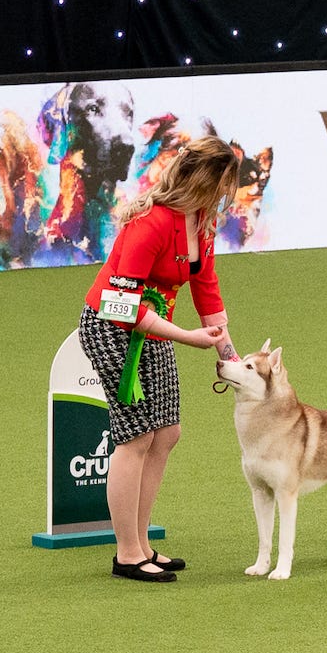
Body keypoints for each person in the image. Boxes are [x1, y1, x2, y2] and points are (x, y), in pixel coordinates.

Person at [76, 136, 243, 583]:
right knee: (136, 436)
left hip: (153, 329)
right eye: (225, 184)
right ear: (205, 181)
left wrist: (233, 360)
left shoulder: (200, 221)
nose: (228, 195)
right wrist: (186, 337)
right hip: (112, 329)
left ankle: (144, 542)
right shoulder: (150, 223)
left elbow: (206, 287)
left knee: (166, 433)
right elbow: (118, 305)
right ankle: (127, 553)